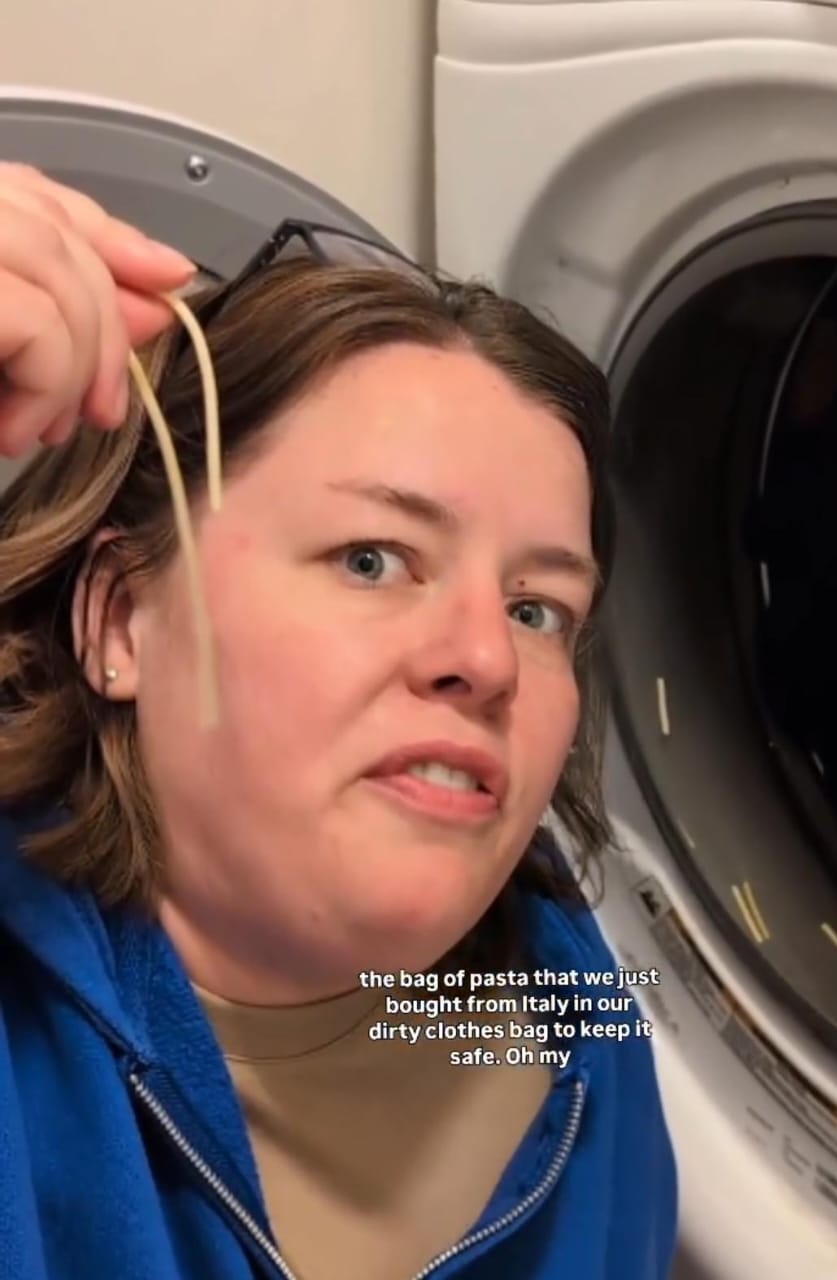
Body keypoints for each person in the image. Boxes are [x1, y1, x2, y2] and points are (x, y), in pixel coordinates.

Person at [0, 163, 677, 1280]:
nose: (483, 658)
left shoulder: (577, 1035)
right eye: (372, 559)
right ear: (122, 618)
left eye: (535, 607)